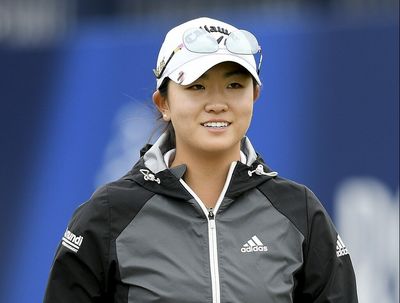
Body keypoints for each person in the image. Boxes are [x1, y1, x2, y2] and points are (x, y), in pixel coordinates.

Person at [43, 17, 358, 302]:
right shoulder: (109, 214)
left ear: (254, 96)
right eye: (197, 86)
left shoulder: (299, 210)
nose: (217, 103)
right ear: (163, 102)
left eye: (235, 85)